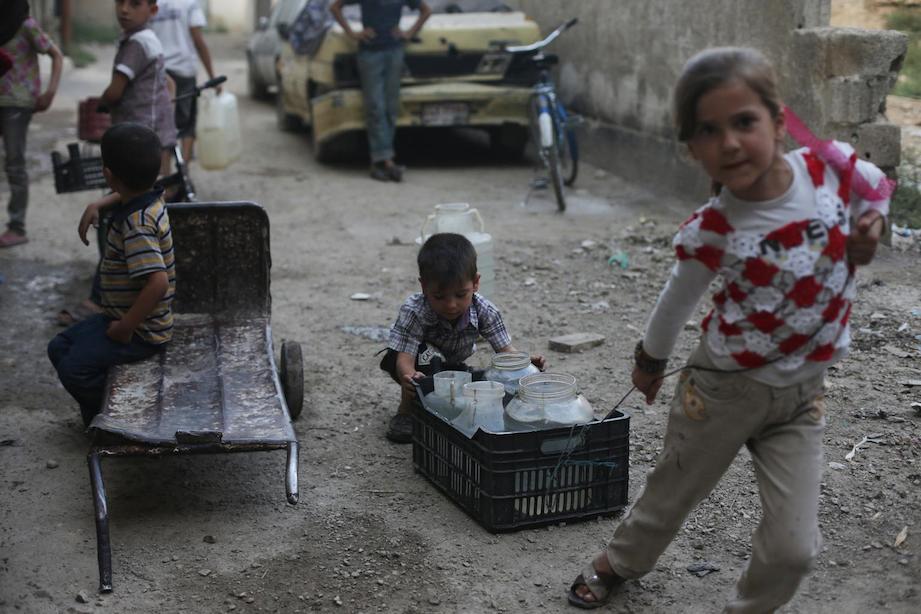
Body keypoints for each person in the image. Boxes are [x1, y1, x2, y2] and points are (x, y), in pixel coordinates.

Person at [568, 47, 889, 612]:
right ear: (692, 151)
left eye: (744, 122)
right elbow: (676, 301)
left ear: (779, 119)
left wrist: (872, 227)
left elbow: (875, 190)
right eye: (708, 132)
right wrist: (650, 361)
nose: (731, 143)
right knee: (673, 490)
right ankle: (616, 563)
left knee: (795, 550)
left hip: (801, 396)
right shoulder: (713, 230)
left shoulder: (829, 169)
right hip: (721, 390)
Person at [48, 123, 176, 428]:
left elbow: (157, 282)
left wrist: (125, 328)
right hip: (120, 317)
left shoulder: (138, 224)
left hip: (141, 331)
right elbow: (130, 192)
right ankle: (103, 407)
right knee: (58, 347)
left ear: (108, 175)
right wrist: (99, 202)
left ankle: (118, 419)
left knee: (75, 370)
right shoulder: (151, 197)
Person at [380, 233, 545, 442]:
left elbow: (505, 351)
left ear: (475, 283)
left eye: (460, 295)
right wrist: (410, 377)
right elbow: (404, 358)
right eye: (439, 297)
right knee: (426, 364)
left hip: (451, 365)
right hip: (418, 363)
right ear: (423, 287)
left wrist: (523, 363)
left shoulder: (485, 311)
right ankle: (405, 412)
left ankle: (449, 392)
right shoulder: (414, 311)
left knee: (466, 383)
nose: (451, 305)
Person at [329, 0, 431, 182]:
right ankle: (383, 161)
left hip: (394, 51)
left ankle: (384, 161)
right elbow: (335, 7)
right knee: (375, 106)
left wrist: (408, 33)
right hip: (370, 53)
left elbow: (426, 10)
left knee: (390, 107)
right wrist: (353, 34)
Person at [0, 0, 63, 247]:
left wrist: (50, 93)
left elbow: (56, 55)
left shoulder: (26, 25)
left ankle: (17, 227)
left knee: (14, 163)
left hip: (18, 102)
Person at [102, 0, 177, 175]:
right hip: (157, 125)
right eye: (120, 2)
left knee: (133, 186)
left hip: (139, 131)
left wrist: (102, 103)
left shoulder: (137, 43)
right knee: (158, 186)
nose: (125, 10)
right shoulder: (149, 38)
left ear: (153, 10)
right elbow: (168, 81)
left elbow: (114, 92)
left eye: (135, 4)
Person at [149, 0, 219, 163]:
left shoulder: (152, 3)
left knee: (163, 126)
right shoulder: (190, 3)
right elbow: (198, 40)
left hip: (159, 70)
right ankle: (183, 174)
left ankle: (165, 179)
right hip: (184, 71)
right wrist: (212, 77)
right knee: (187, 125)